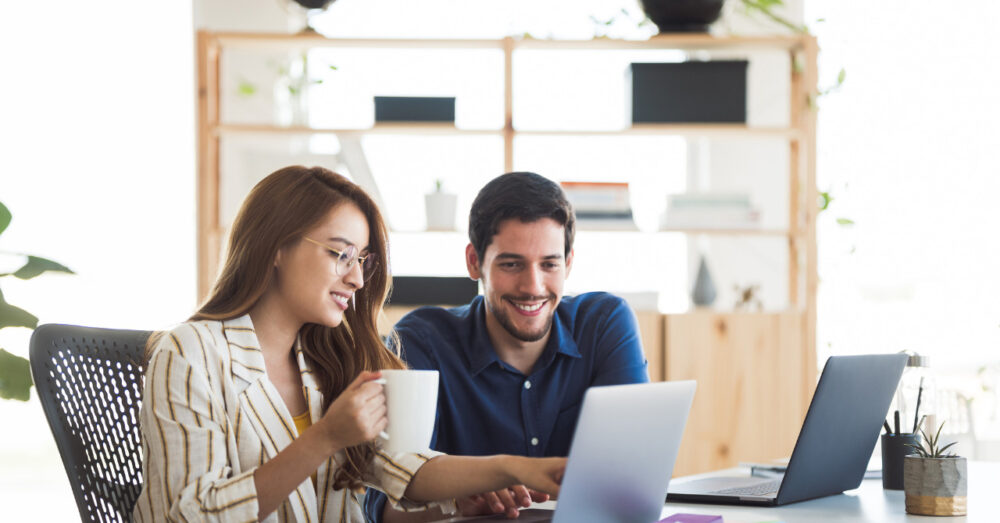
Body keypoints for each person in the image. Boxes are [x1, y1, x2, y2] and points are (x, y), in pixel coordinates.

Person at [133, 166, 566, 523]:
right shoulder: (191, 353)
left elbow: (404, 467)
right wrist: (323, 439)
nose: (357, 279)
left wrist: (512, 470)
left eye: (362, 260)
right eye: (340, 254)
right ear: (275, 247)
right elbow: (190, 515)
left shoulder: (328, 363)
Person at [368, 172, 649, 522]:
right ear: (474, 262)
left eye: (549, 264)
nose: (533, 286)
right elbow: (381, 506)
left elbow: (633, 477)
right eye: (512, 264)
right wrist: (455, 504)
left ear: (569, 262)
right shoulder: (420, 343)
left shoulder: (604, 325)